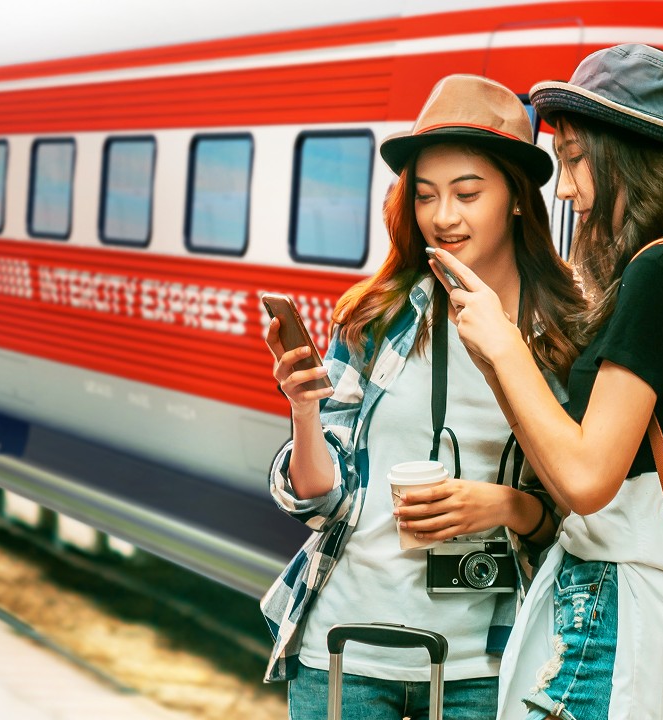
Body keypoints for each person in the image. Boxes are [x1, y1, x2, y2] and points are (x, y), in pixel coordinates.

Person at [430, 44, 663, 720]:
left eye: (575, 161)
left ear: (627, 155)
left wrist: (505, 347)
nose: (564, 190)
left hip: (625, 613)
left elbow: (587, 481)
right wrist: (498, 359)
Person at [259, 74, 585, 720]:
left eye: (467, 193)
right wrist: (302, 410)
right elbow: (321, 501)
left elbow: (581, 512)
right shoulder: (376, 316)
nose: (443, 216)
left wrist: (504, 505)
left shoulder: (565, 333)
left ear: (518, 199)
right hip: (345, 652)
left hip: (485, 665)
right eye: (427, 196)